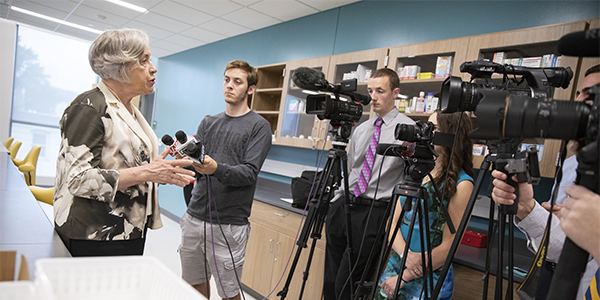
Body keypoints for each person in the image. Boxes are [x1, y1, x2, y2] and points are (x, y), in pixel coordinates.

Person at [54, 28, 195, 257]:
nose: (153, 67)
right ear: (121, 67)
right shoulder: (90, 107)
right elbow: (77, 179)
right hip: (93, 234)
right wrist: (147, 172)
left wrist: (157, 170)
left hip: (128, 229)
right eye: (144, 60)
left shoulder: (129, 109)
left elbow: (128, 167)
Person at [490, 64, 600, 300]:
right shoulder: (573, 166)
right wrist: (528, 210)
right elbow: (563, 252)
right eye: (579, 93)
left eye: (590, 95)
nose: (577, 103)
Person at [179, 60, 272, 300]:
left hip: (229, 225)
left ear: (250, 89)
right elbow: (199, 168)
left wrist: (216, 168)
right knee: (193, 284)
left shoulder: (259, 127)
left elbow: (249, 172)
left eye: (237, 82)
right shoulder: (208, 122)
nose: (229, 86)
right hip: (194, 217)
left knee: (229, 293)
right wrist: (186, 164)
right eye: (226, 79)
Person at [324, 68, 416, 300]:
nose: (373, 97)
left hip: (375, 211)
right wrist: (337, 200)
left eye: (380, 91)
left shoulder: (408, 130)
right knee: (331, 276)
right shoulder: (362, 129)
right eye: (370, 91)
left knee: (348, 281)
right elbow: (353, 169)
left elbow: (410, 177)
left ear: (395, 93)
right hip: (345, 204)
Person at [376, 111, 475, 299]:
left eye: (433, 129)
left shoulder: (463, 185)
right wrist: (407, 256)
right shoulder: (417, 173)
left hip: (427, 277)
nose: (425, 133)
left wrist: (406, 276)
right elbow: (393, 223)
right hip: (397, 265)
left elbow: (449, 246)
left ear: (450, 134)